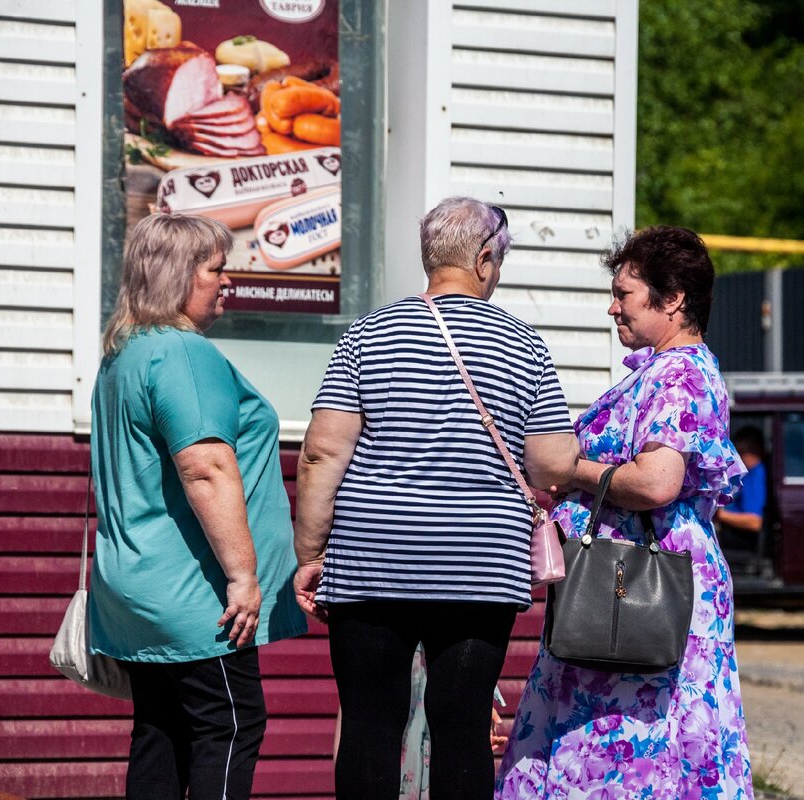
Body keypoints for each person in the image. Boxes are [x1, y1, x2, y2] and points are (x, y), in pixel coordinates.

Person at [294, 196, 580, 800]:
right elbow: (553, 461)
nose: (497, 274)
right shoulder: (524, 345)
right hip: (479, 565)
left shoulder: (366, 334)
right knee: (463, 725)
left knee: (371, 724)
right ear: (482, 260)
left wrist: (311, 553)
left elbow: (322, 454)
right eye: (498, 263)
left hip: (374, 559)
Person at [496, 226, 754, 799]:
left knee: (646, 739)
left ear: (673, 299)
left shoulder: (681, 373)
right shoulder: (660, 372)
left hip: (641, 581)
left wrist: (567, 469)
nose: (612, 306)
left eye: (625, 293)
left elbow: (658, 482)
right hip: (621, 577)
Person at [89, 212, 307, 799]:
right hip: (197, 596)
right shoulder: (184, 354)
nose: (226, 282)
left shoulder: (124, 354)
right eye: (216, 269)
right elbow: (206, 468)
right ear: (178, 276)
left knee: (161, 731)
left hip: (136, 588)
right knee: (230, 726)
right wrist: (243, 576)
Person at [714, 425, 768, 557]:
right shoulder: (746, 474)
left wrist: (720, 515)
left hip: (740, 538)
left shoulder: (756, 474)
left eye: (744, 451)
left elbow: (755, 522)